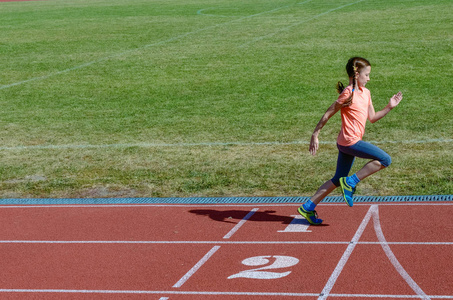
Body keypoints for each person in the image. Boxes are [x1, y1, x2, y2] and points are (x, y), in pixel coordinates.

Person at [298, 57, 403, 225]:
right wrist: (315, 134)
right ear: (356, 75)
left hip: (346, 143)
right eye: (366, 75)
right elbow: (328, 114)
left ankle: (308, 207)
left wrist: (389, 107)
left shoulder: (366, 93)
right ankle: (351, 182)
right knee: (385, 159)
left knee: (338, 178)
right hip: (349, 142)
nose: (369, 78)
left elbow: (373, 118)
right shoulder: (348, 93)